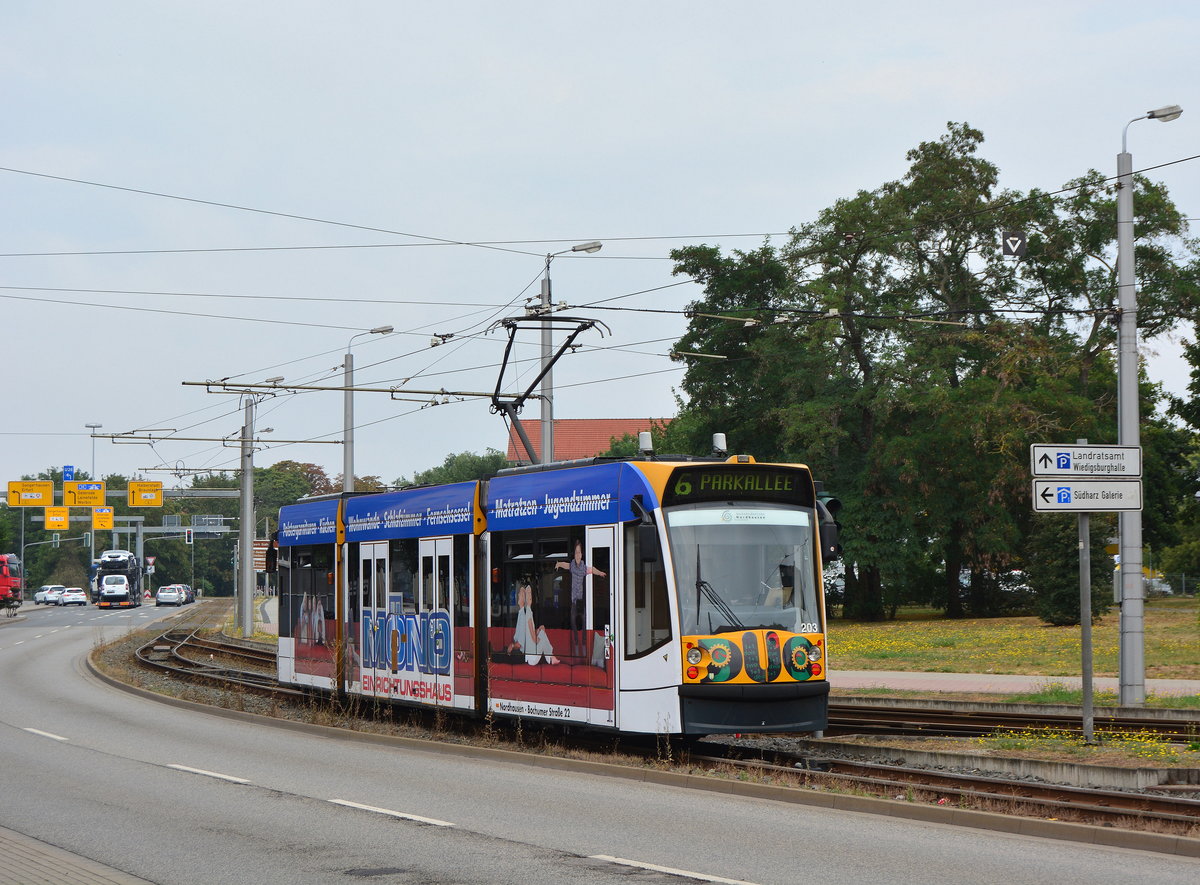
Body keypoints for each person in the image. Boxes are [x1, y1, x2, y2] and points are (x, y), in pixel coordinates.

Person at [555, 540, 605, 657]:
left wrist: (600, 573)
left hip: (581, 601)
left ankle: (583, 643)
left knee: (583, 621)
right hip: (573, 601)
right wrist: (558, 564)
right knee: (573, 621)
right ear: (574, 554)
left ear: (582, 555)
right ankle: (576, 643)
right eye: (576, 553)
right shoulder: (572, 566)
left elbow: (592, 569)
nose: (578, 555)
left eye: (579, 553)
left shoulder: (583, 568)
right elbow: (564, 565)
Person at [508, 582, 559, 665]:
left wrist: (538, 633)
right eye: (521, 595)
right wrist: (539, 634)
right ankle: (550, 657)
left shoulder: (526, 614)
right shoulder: (526, 614)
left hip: (531, 655)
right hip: (531, 656)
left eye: (521, 595)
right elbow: (532, 638)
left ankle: (550, 657)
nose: (519, 596)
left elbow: (530, 636)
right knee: (542, 631)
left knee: (541, 630)